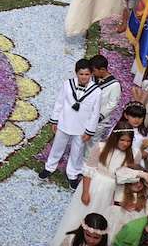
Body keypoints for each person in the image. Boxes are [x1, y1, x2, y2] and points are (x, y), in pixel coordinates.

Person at [52, 122, 137, 246]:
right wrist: (85, 192)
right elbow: (88, 171)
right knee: (82, 214)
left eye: (128, 141)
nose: (125, 143)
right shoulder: (101, 148)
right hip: (95, 187)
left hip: (113, 190)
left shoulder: (134, 154)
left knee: (102, 218)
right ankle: (72, 244)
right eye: (122, 140)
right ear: (115, 138)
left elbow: (131, 177)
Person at [41, 59, 104, 188]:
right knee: (57, 146)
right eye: (81, 74)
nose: (84, 77)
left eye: (87, 74)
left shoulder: (96, 91)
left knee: (77, 151)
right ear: (76, 73)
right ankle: (50, 167)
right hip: (64, 122)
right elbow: (59, 102)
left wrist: (89, 131)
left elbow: (95, 113)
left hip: (82, 127)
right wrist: (54, 120)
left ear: (91, 74)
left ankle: (73, 174)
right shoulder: (67, 84)